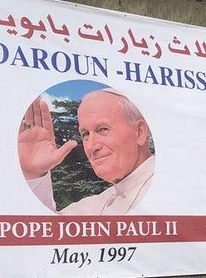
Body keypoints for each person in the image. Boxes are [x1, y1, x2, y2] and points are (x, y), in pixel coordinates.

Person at [19, 89, 154, 215]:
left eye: (103, 129)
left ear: (139, 132)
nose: (91, 146)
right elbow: (40, 228)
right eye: (85, 134)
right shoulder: (92, 207)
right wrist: (34, 174)